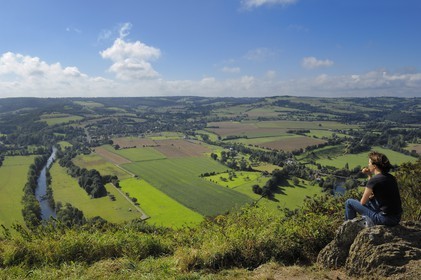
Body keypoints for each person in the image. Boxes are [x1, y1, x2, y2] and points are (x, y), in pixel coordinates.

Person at [345, 151, 402, 226]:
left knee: (349, 202)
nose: (368, 165)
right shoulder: (391, 177)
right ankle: (366, 222)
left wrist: (369, 177)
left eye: (369, 163)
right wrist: (369, 175)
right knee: (371, 201)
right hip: (396, 218)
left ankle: (350, 227)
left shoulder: (374, 180)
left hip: (384, 219)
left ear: (374, 166)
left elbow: (362, 202)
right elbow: (374, 189)